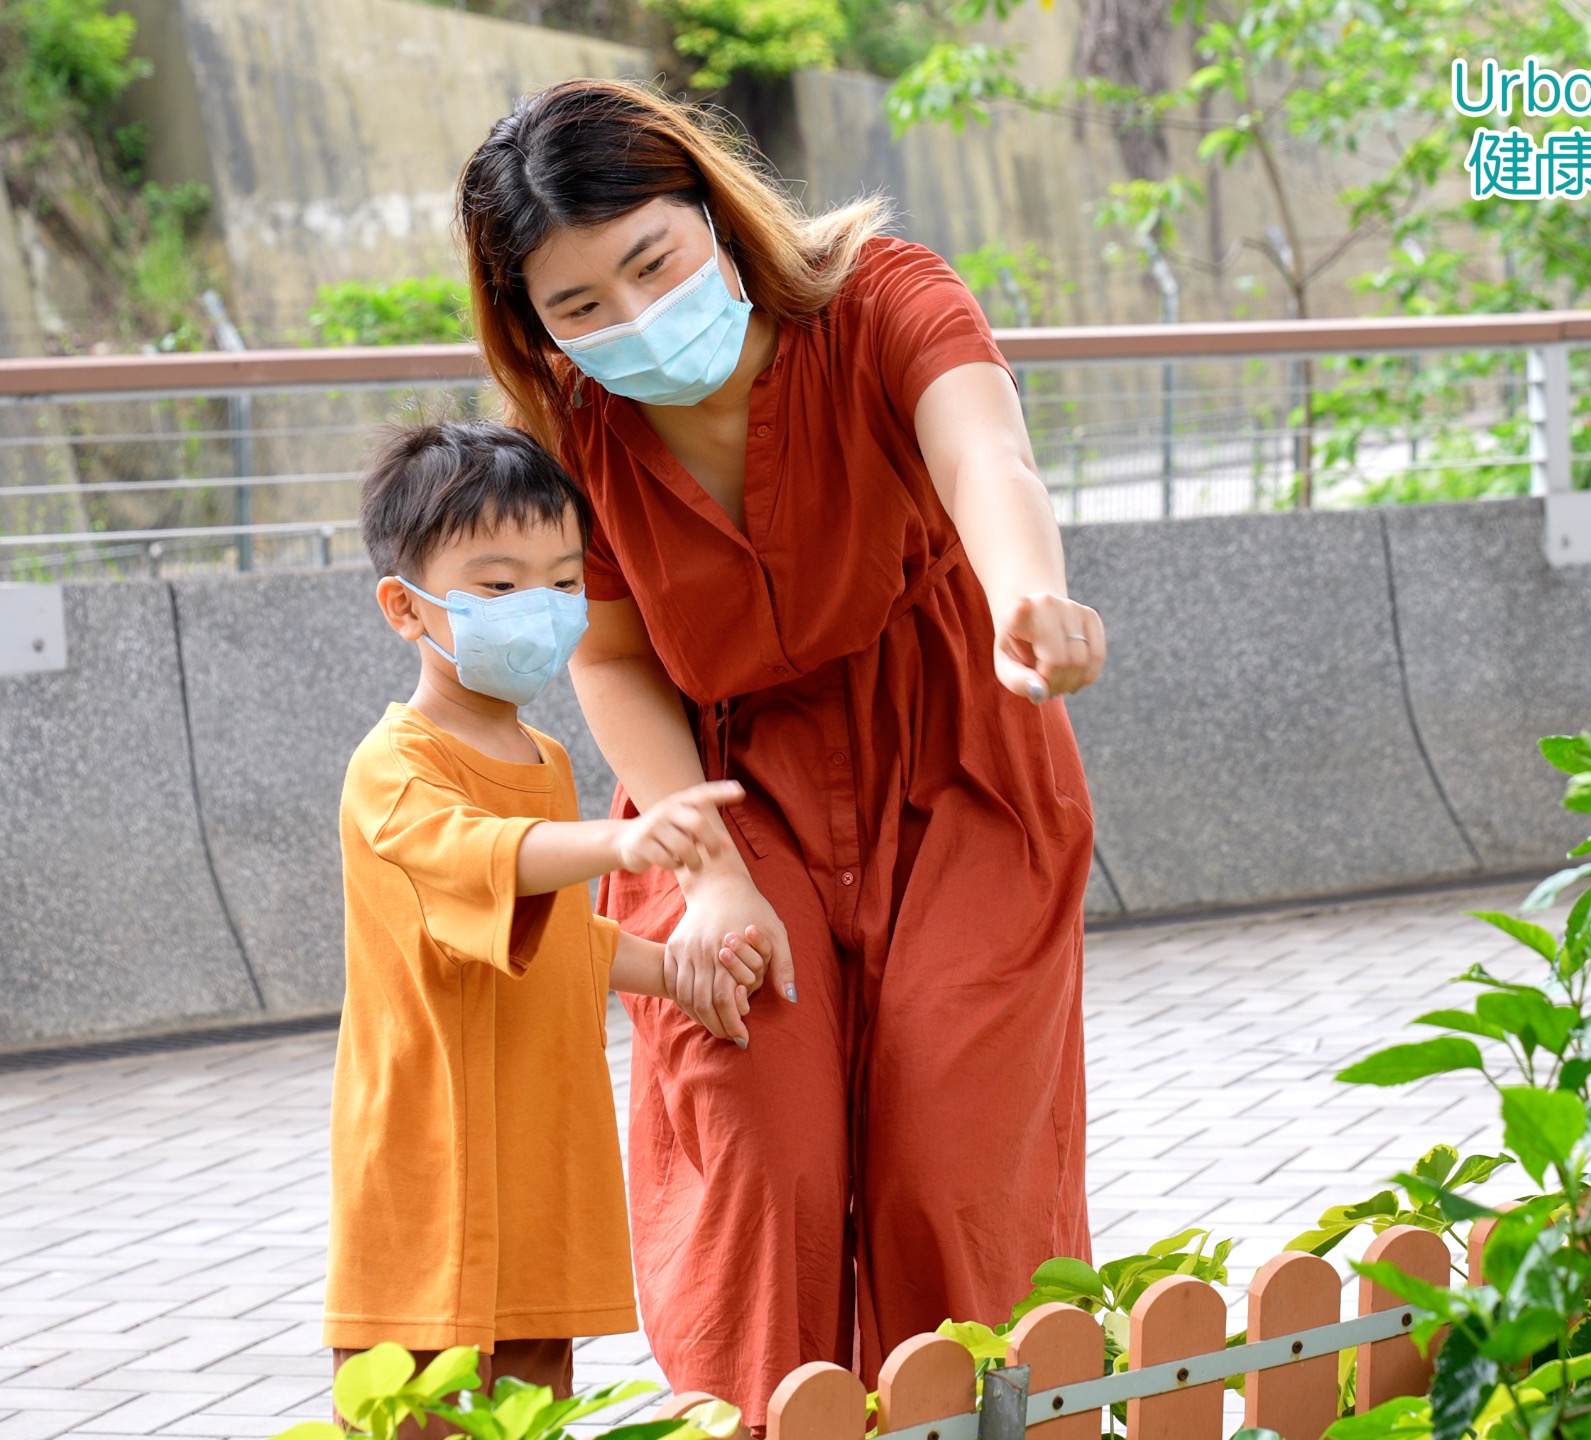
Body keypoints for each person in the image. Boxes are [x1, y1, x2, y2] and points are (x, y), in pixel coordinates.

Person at [458, 80, 1108, 1424]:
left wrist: (1024, 593)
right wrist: (705, 870)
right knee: (760, 1159)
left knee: (955, 1159)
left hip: (959, 762)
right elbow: (611, 654)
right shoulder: (574, 433)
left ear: (712, 210)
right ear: (531, 325)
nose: (632, 320)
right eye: (578, 307)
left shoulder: (877, 297)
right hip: (721, 794)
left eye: (652, 261)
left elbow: (989, 453)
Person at [322, 420, 770, 1426]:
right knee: (418, 1414)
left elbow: (554, 937)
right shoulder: (394, 769)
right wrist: (622, 844)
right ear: (407, 607)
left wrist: (675, 970)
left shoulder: (546, 761)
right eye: (497, 585)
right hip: (426, 1193)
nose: (542, 609)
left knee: (534, 1411)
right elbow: (490, 865)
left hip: (535, 1188)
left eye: (564, 583)